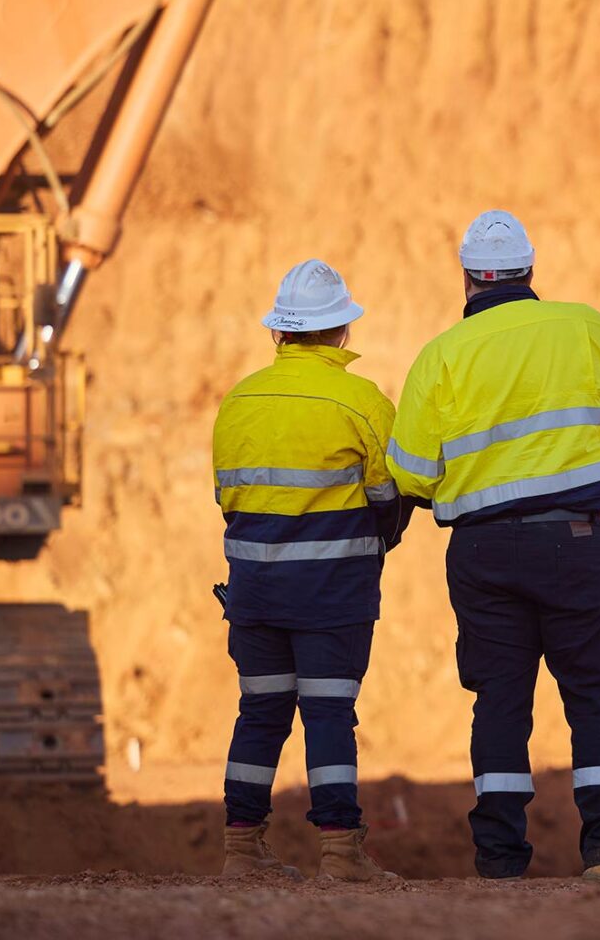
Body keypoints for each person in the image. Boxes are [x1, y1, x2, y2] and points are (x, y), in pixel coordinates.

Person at [387, 209, 600, 888]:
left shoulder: (440, 356)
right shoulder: (584, 326)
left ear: (466, 276)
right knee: (597, 700)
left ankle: (499, 861)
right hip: (578, 544)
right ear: (530, 269)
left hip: (484, 553)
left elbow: (409, 472)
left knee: (499, 701)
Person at [210, 256, 407, 883]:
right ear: (341, 332)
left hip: (254, 591)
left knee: (260, 711)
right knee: (328, 713)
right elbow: (388, 500)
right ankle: (341, 854)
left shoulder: (237, 402)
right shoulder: (362, 402)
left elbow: (227, 497)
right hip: (331, 593)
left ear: (278, 333)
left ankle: (241, 851)